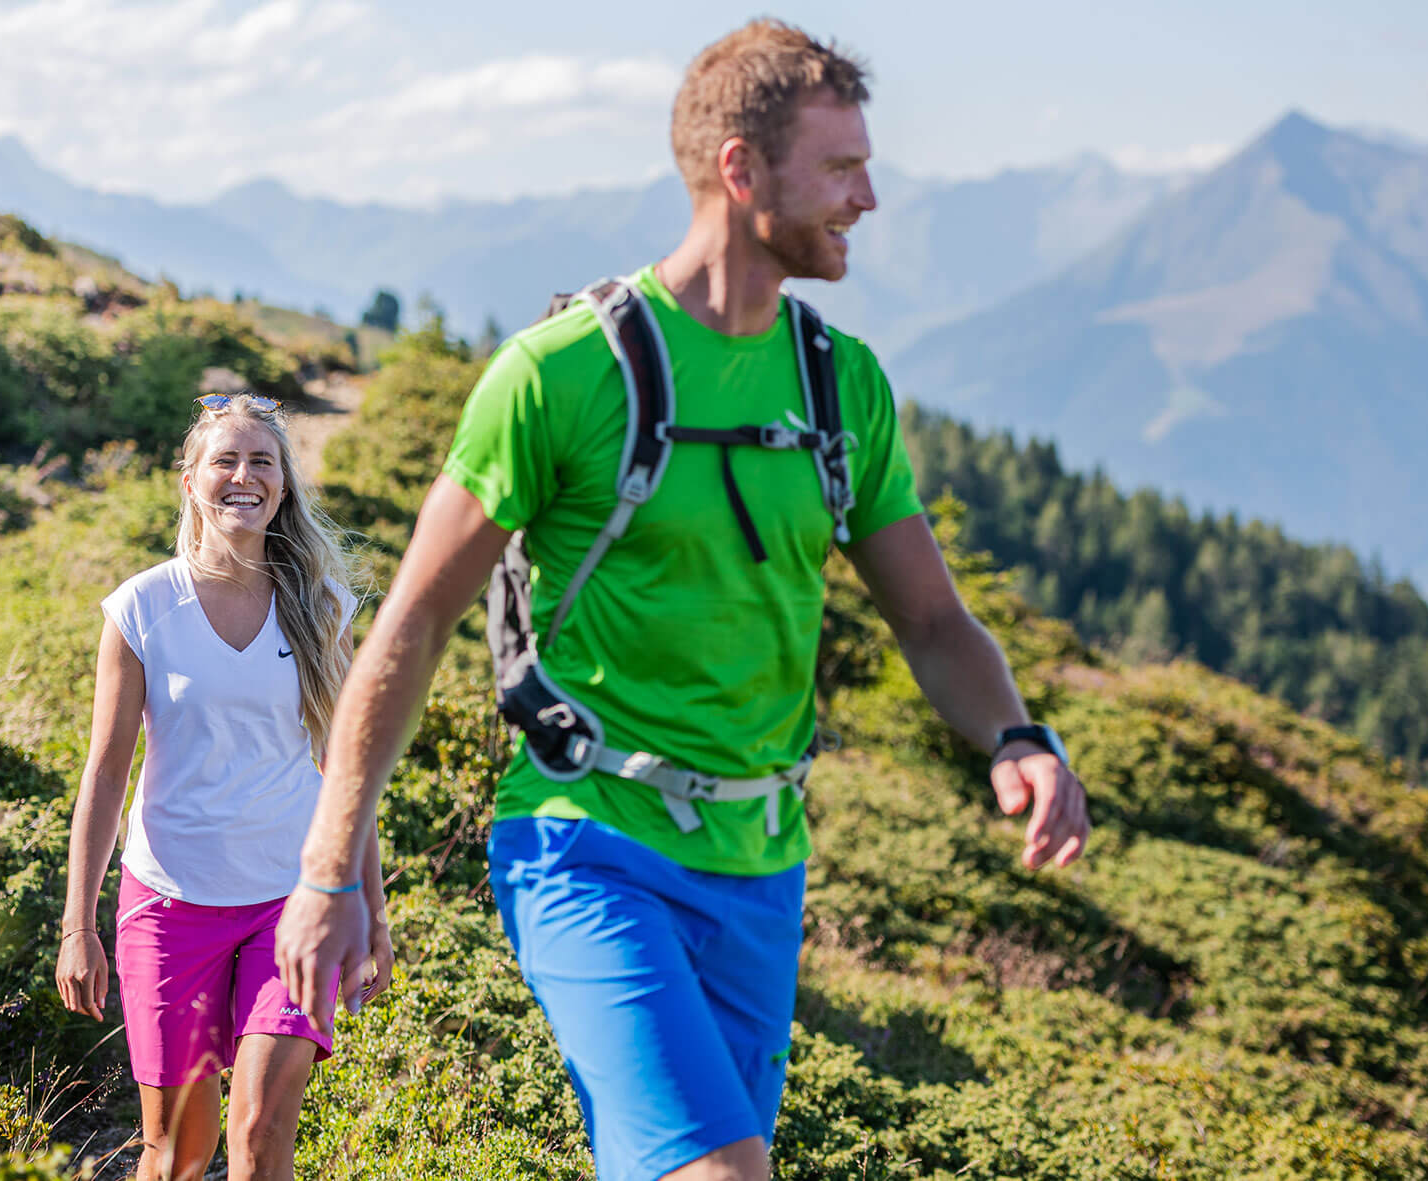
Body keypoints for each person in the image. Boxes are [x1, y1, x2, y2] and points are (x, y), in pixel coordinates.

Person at [276, 19, 1090, 1181]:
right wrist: (329, 869)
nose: (870, 197)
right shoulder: (561, 374)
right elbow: (409, 621)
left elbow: (932, 620)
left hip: (763, 860)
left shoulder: (838, 382)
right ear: (740, 170)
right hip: (587, 840)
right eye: (842, 168)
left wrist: (1016, 733)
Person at [55, 393, 392, 1181]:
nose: (244, 476)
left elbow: (348, 771)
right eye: (225, 460)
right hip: (168, 902)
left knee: (262, 1134)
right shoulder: (142, 607)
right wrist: (79, 923)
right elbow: (105, 774)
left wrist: (373, 913)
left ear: (283, 486)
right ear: (191, 481)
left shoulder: (321, 606)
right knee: (177, 1152)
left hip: (293, 902)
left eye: (262, 461)